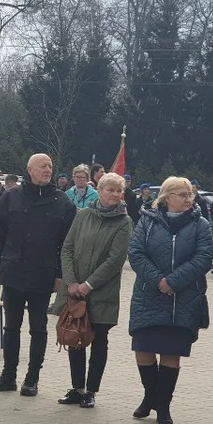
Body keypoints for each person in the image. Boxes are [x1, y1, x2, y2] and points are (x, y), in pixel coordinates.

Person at [0, 153, 76, 396]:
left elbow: (66, 244)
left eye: (50, 166)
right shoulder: (11, 197)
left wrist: (60, 274)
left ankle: (32, 378)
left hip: (43, 273)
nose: (48, 170)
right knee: (11, 328)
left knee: (38, 329)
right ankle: (8, 375)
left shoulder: (62, 202)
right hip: (13, 271)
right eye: (42, 166)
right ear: (29, 169)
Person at [128, 176, 213, 424]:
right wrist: (158, 280)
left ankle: (163, 405)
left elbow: (204, 258)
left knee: (170, 351)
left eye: (190, 195)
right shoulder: (147, 221)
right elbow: (135, 253)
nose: (189, 199)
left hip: (182, 298)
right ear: (166, 197)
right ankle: (149, 397)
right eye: (182, 195)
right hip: (148, 294)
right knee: (143, 348)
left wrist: (173, 282)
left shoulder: (201, 225)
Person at [50, 173, 133, 408]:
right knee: (74, 336)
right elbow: (67, 248)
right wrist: (71, 282)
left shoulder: (124, 222)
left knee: (99, 340)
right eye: (111, 190)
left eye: (119, 191)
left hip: (101, 293)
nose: (116, 195)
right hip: (74, 290)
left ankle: (91, 390)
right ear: (100, 190)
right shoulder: (83, 215)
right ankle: (77, 388)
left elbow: (115, 259)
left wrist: (89, 285)